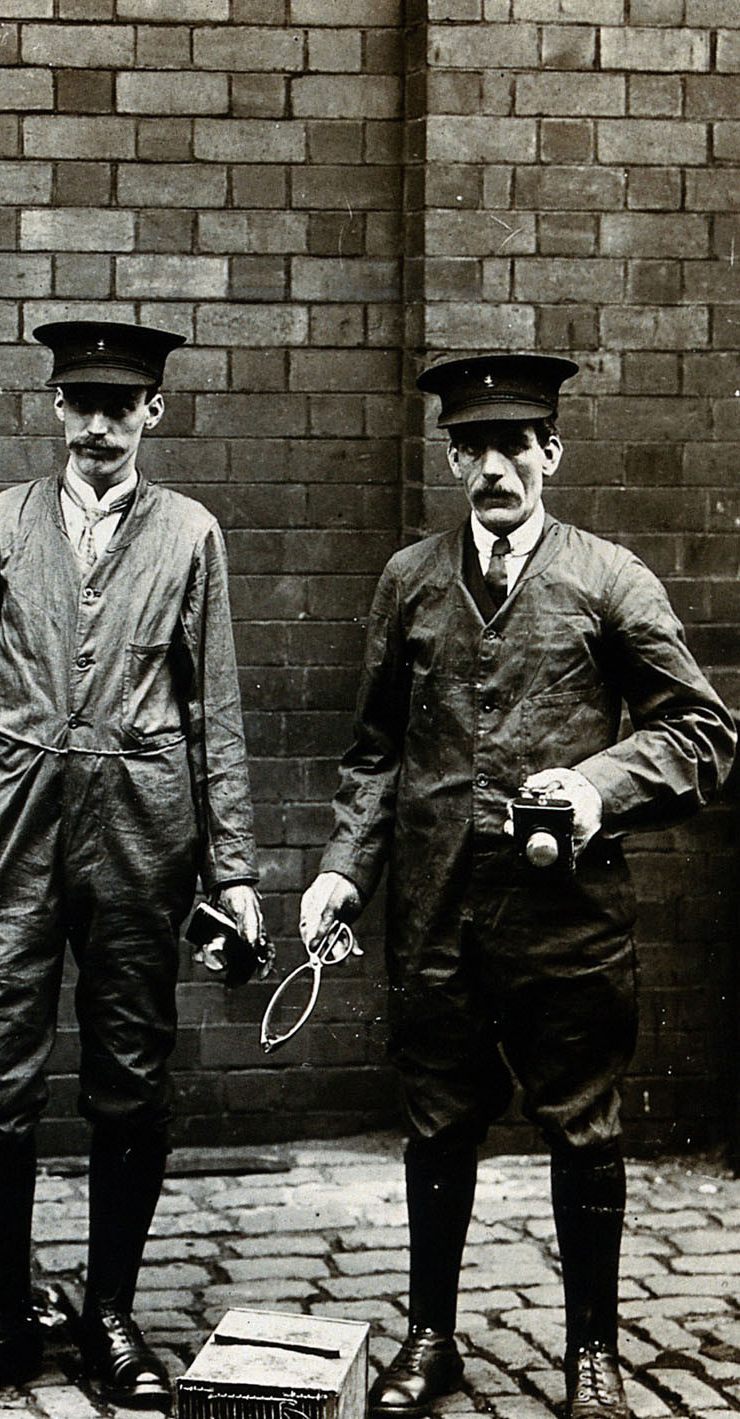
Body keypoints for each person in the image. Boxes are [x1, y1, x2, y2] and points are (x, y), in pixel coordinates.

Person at [299, 354, 735, 1419]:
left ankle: (592, 1354)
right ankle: (431, 1338)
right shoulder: (409, 580)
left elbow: (702, 732)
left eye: (514, 446)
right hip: (435, 914)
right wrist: (342, 868)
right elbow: (372, 753)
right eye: (473, 448)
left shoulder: (608, 580)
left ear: (552, 452)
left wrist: (594, 788)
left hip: (565, 922)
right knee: (437, 1123)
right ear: (451, 460)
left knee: (582, 1127)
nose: (494, 468)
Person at [0, 321, 262, 1408]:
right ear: (55, 407)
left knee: (129, 1073)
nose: (99, 426)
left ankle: (109, 1315)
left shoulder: (189, 533)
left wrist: (232, 871)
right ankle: (1, 1318)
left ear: (154, 411)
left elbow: (216, 710)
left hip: (141, 832)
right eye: (81, 404)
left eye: (121, 405)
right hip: (11, 828)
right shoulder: (3, 523)